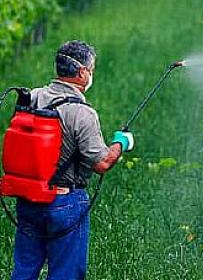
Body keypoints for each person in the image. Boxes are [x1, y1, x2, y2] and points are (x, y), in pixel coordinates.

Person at [12, 40, 134, 280]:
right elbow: (102, 164)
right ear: (82, 73)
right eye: (92, 70)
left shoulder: (32, 98)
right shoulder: (82, 112)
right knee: (65, 274)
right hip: (64, 201)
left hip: (27, 198)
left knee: (24, 272)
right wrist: (122, 143)